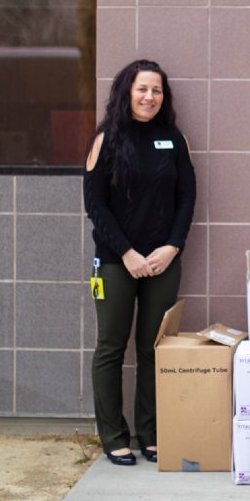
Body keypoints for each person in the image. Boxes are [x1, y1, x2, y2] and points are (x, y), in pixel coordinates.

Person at [84, 60, 196, 466]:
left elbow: (187, 198)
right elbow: (94, 205)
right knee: (111, 348)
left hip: (163, 262)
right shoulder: (107, 140)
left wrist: (173, 247)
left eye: (157, 91)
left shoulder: (173, 139)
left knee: (153, 349)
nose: (150, 97)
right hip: (116, 263)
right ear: (126, 92)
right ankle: (114, 436)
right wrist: (127, 253)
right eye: (142, 89)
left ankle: (149, 433)